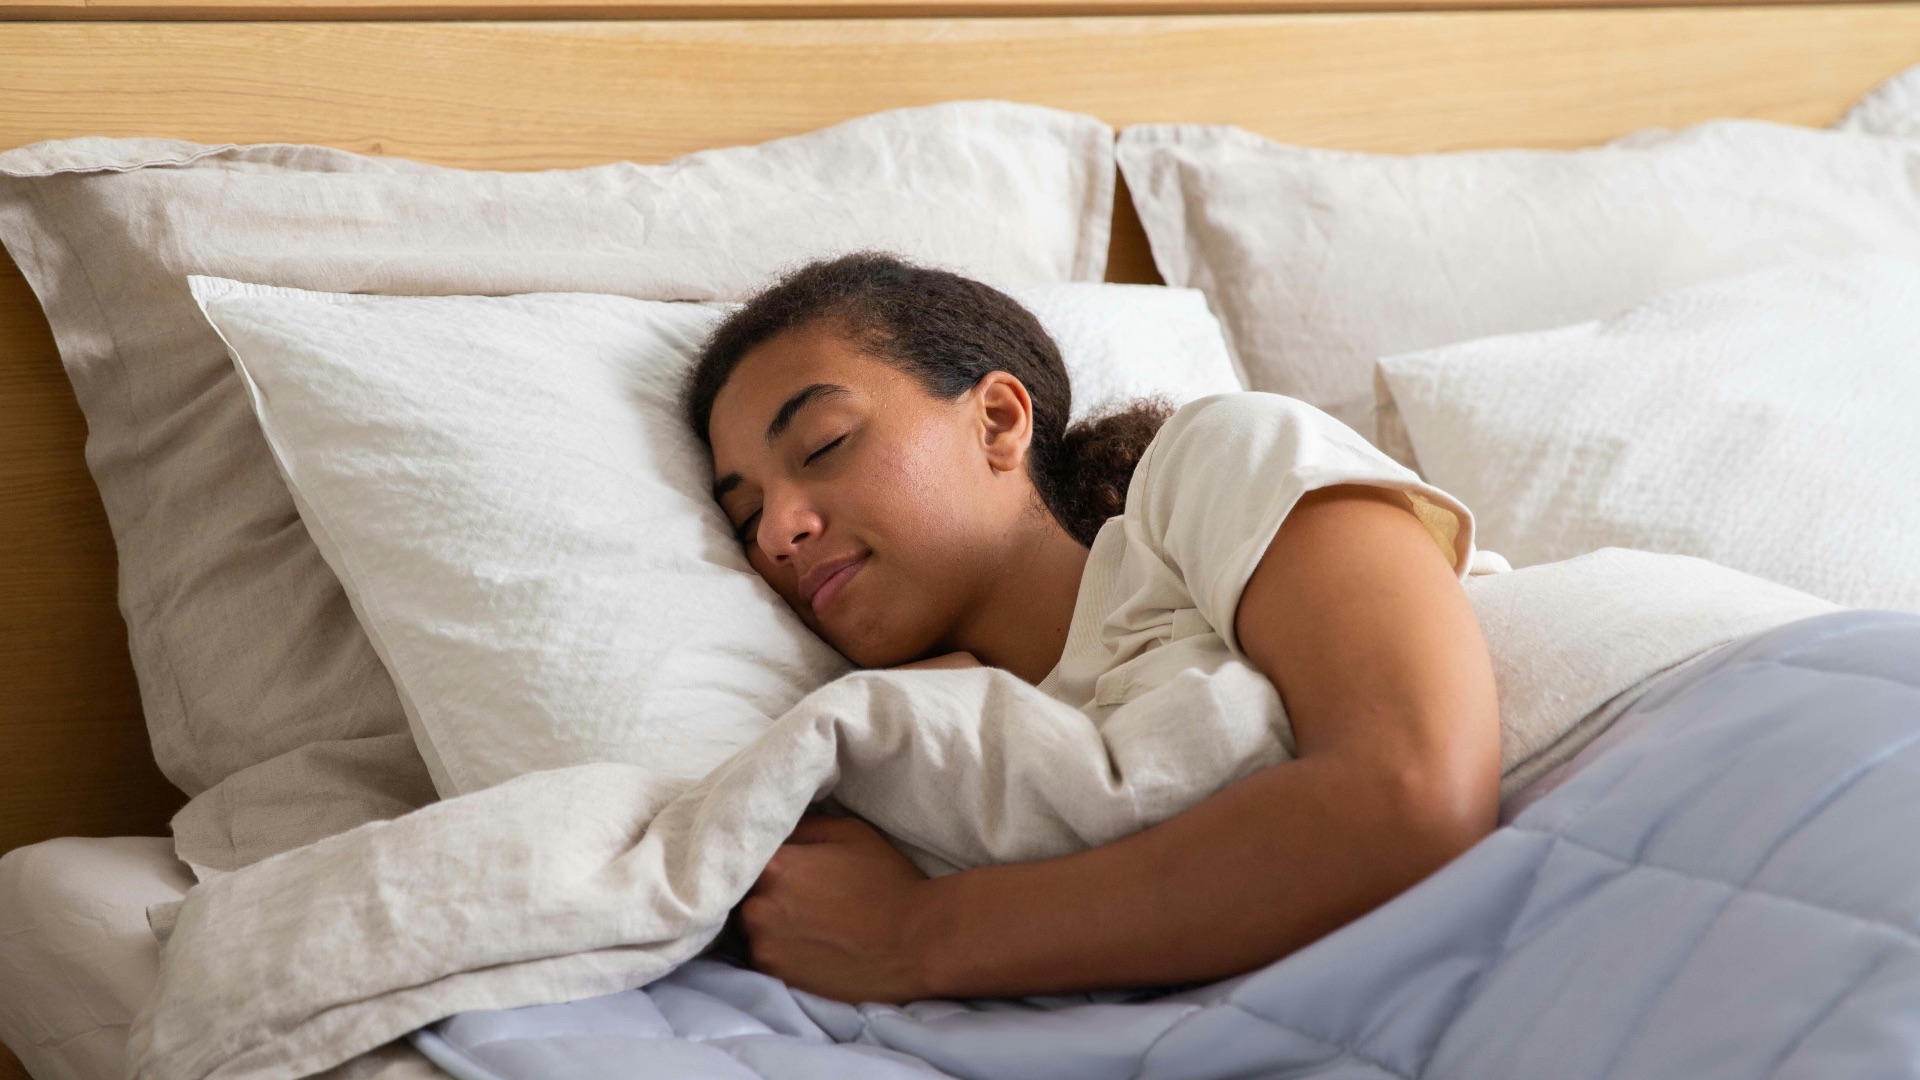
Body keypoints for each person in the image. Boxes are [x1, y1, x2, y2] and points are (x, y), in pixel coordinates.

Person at [684, 252, 1501, 1005]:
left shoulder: (1216, 463)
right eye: (746, 515)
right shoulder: (905, 751)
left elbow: (1413, 790)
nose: (778, 532)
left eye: (824, 444)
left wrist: (920, 933)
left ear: (999, 420)